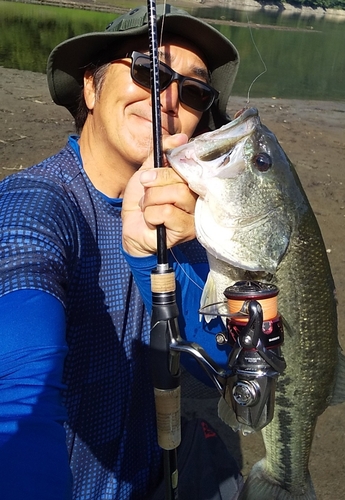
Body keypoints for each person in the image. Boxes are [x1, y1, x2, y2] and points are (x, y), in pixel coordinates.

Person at [0, 4, 241, 499]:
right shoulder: (38, 206)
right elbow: (20, 390)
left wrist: (176, 253)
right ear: (90, 86)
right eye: (148, 71)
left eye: (194, 91)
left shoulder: (193, 225)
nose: (170, 99)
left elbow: (215, 363)